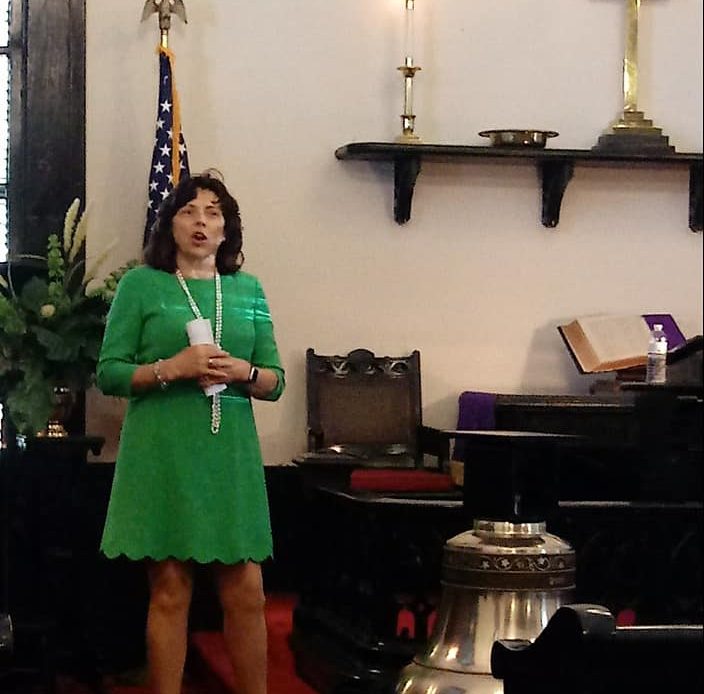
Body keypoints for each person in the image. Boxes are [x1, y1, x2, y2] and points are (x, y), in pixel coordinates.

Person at [97, 170, 285, 694]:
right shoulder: (141, 285)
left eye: (213, 213)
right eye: (188, 211)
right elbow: (109, 373)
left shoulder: (248, 290)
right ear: (170, 225)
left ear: (227, 230)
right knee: (170, 591)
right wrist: (173, 368)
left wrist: (244, 372)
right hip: (163, 454)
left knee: (247, 592)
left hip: (230, 458)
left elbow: (275, 382)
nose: (201, 222)